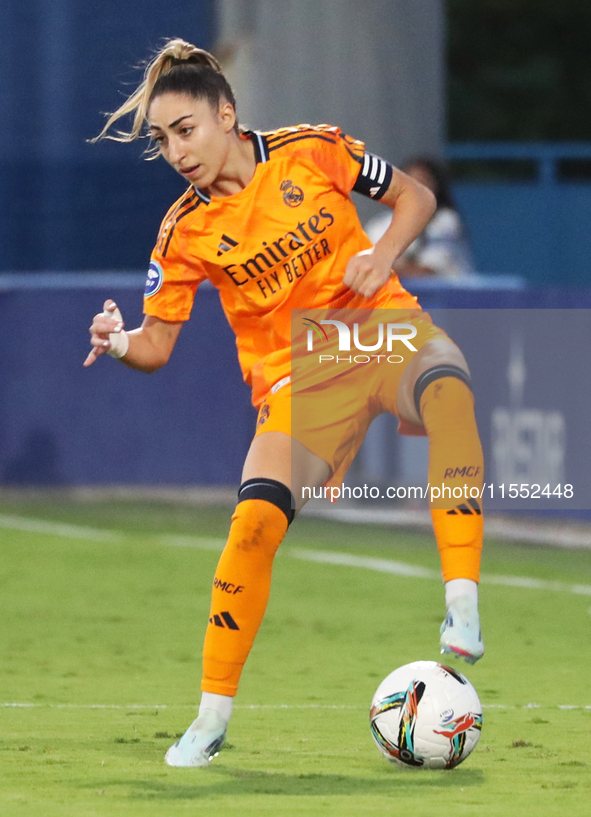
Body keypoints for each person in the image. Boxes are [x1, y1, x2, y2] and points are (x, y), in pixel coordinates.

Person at [85, 38, 485, 768]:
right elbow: (156, 347)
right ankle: (209, 720)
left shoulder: (311, 149)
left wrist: (382, 252)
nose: (176, 151)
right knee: (252, 526)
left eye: (185, 130)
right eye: (162, 139)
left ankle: (462, 606)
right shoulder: (185, 230)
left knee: (450, 389)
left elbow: (415, 197)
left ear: (226, 115)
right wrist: (117, 340)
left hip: (379, 331)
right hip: (295, 382)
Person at [365, 156, 475, 279]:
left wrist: (382, 267)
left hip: (445, 296)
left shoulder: (445, 221)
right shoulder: (380, 224)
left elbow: (426, 271)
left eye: (422, 182)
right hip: (394, 296)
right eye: (408, 181)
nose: (414, 189)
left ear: (436, 186)